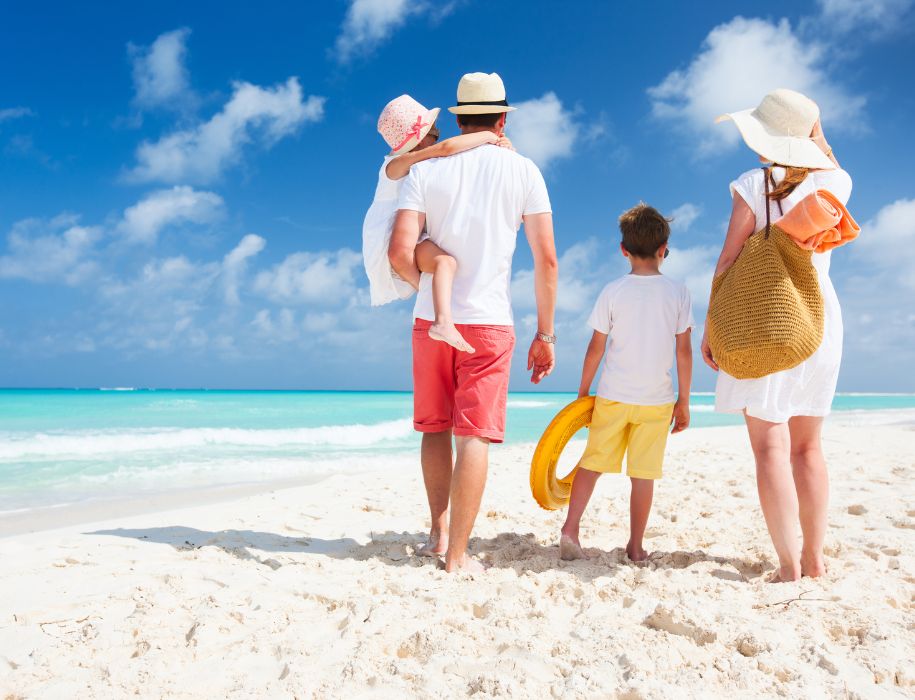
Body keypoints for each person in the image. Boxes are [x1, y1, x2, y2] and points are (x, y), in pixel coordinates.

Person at [388, 72, 558, 573]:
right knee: (474, 437)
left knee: (434, 429)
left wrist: (427, 291)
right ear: (502, 119)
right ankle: (459, 556)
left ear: (459, 119)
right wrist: (545, 334)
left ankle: (437, 535)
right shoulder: (524, 171)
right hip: (488, 323)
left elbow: (401, 252)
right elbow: (546, 261)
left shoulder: (423, 171)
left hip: (430, 321)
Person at [701, 88, 852, 582]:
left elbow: (728, 259)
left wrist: (712, 324)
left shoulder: (752, 182)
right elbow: (828, 162)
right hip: (817, 318)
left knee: (770, 448)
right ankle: (814, 557)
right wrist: (817, 134)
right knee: (808, 448)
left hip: (762, 314)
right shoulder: (836, 182)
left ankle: (788, 567)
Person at [559, 204, 693, 562]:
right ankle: (635, 546)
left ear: (624, 250)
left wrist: (583, 393)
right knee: (643, 475)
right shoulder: (679, 292)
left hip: (613, 395)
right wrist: (684, 400)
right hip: (657, 400)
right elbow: (684, 352)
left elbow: (595, 348)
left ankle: (570, 529)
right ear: (664, 249)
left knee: (593, 463)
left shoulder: (613, 290)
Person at [363, 94, 512, 352]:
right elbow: (446, 149)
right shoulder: (393, 166)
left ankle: (442, 319)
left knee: (444, 263)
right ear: (418, 137)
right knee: (444, 263)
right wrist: (491, 137)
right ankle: (441, 320)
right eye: (434, 131)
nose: (439, 136)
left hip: (407, 231)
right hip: (388, 235)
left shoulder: (419, 165)